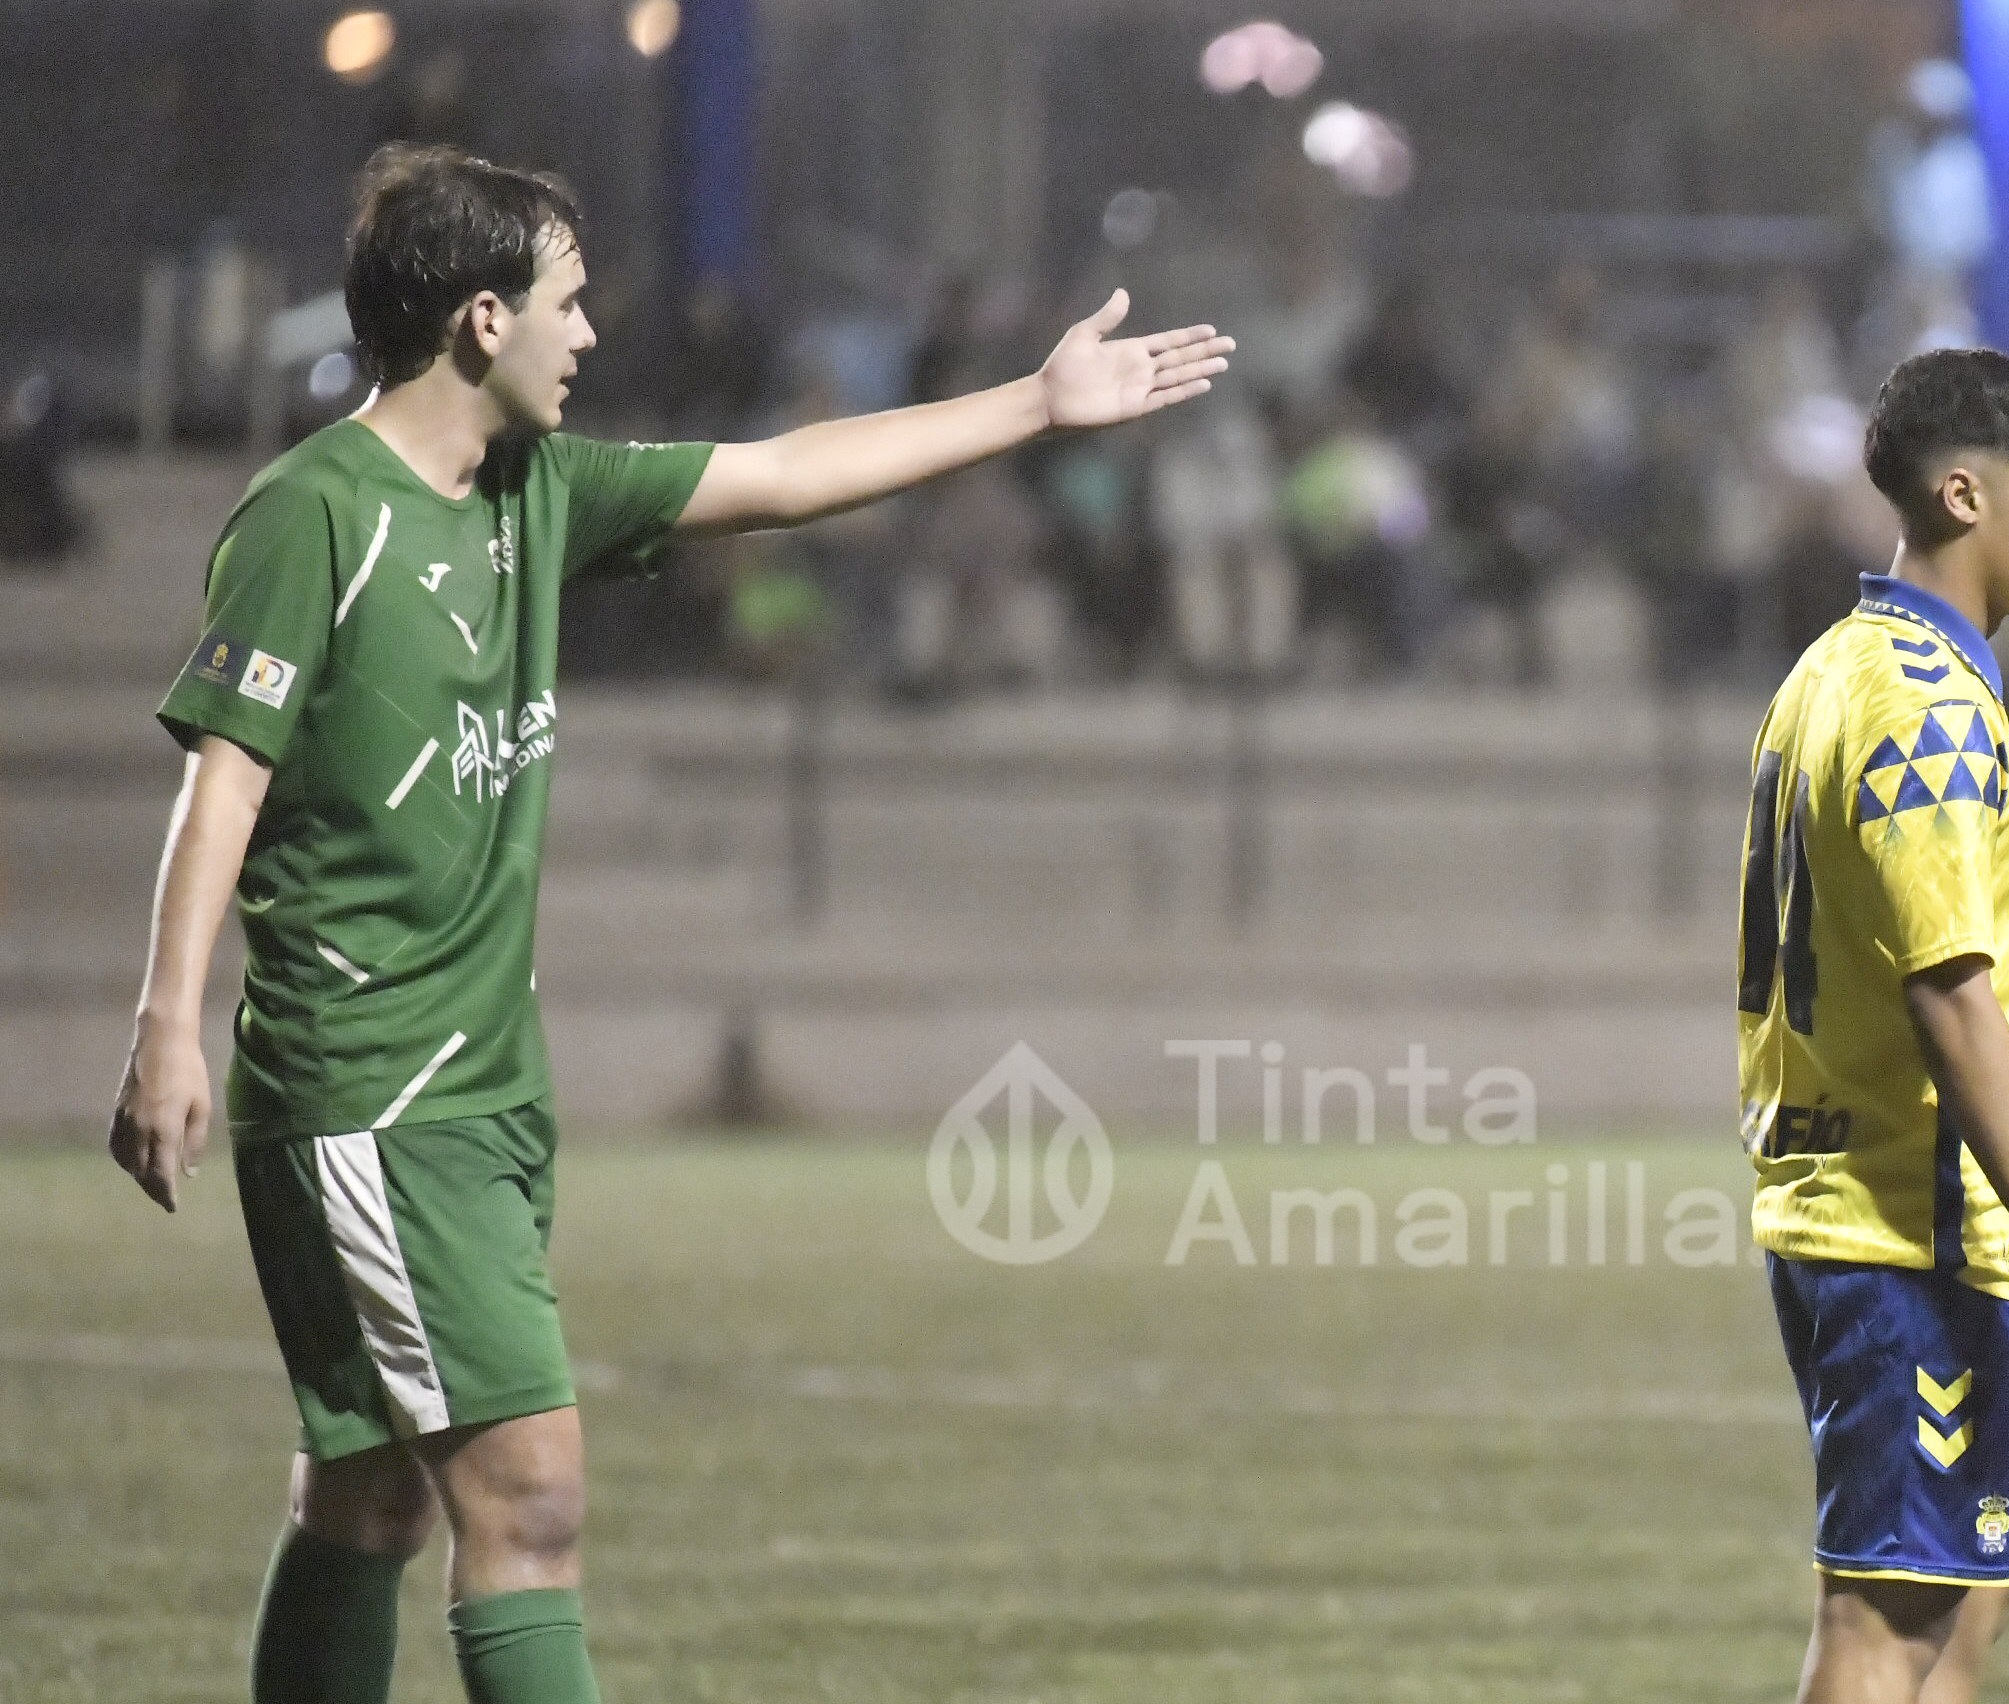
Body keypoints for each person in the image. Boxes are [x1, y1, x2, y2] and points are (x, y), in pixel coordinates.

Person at [105, 143, 1230, 1704]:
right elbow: (223, 781)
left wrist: (1035, 406)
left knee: (371, 1494)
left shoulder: (538, 493)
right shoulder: (314, 516)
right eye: (567, 302)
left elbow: (782, 476)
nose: (588, 334)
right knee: (530, 1499)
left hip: (485, 1088)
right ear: (482, 321)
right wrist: (166, 1025)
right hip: (374, 1088)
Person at [1737, 348, 2009, 1704]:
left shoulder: (1839, 666)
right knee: (1886, 1621)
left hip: (1864, 1203)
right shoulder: (1927, 707)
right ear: (1965, 493)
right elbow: (1948, 987)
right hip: (1915, 1222)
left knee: (1961, 1610)